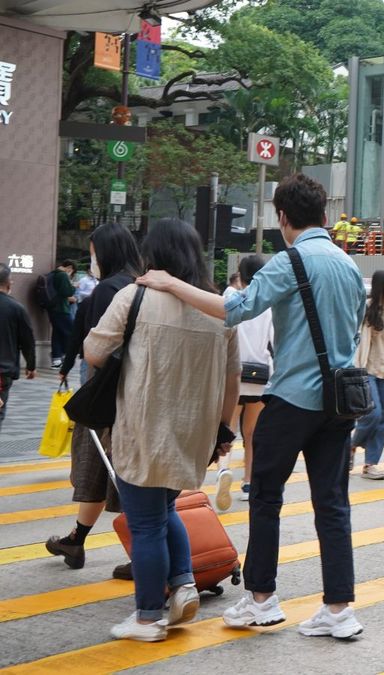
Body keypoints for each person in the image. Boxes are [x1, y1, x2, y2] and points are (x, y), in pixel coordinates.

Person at [139, 174, 367, 639]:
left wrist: (172, 283)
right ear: (324, 215)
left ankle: (261, 598)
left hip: (291, 398)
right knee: (333, 504)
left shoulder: (291, 261)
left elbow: (235, 309)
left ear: (283, 218)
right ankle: (339, 609)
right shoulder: (347, 265)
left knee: (265, 496)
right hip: (340, 403)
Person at [85, 218, 240, 641]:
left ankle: (148, 616)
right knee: (166, 509)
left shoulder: (134, 297)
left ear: (153, 255)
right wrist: (222, 431)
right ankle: (184, 585)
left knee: (146, 522)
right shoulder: (217, 308)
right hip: (194, 431)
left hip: (142, 428)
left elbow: (95, 353)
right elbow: (233, 379)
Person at [45, 223, 141, 576]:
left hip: (105, 398)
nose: (91, 259)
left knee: (108, 472)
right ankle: (76, 538)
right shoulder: (141, 284)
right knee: (105, 474)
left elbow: (95, 348)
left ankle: (143, 554)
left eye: (93, 252)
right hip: (135, 396)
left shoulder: (108, 291)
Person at [218, 255, 273, 507]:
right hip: (261, 375)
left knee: (228, 428)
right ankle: (249, 482)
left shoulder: (232, 299)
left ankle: (223, 470)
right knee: (253, 433)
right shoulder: (269, 304)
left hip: (235, 373)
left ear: (240, 275)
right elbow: (274, 341)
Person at [350, 270, 384, 479]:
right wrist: (357, 366)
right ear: (382, 283)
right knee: (373, 413)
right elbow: (360, 340)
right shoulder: (368, 309)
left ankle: (370, 463)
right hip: (367, 368)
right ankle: (353, 444)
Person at [0, 264, 36, 434]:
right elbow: (27, 341)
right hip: (2, 372)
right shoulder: (16, 308)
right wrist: (31, 366)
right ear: (9, 284)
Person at [47, 259, 77, 368]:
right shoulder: (63, 275)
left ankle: (56, 359)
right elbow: (67, 291)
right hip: (61, 309)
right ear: (69, 268)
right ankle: (66, 356)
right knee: (71, 331)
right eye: (72, 271)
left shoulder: (53, 274)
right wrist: (74, 286)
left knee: (57, 333)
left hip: (52, 308)